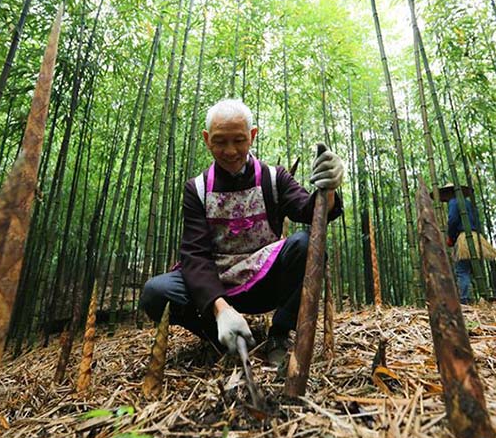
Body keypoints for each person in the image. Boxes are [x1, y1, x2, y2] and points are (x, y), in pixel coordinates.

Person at [139, 99, 344, 362]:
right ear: (206, 139)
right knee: (156, 293)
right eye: (220, 141)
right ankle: (222, 338)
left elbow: (310, 211)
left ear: (252, 136)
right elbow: (195, 255)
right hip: (215, 285)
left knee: (306, 244)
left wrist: (329, 188)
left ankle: (280, 333)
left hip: (264, 281)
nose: (230, 150)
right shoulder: (197, 189)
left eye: (238, 140)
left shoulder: (274, 177)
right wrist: (221, 309)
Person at [445, 184, 496, 304]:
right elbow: (477, 221)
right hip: (476, 238)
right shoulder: (469, 203)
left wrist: (451, 237)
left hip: (464, 238)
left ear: (450, 192)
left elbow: (452, 220)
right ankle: (483, 298)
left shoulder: (454, 201)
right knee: (476, 270)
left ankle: (464, 300)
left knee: (462, 271)